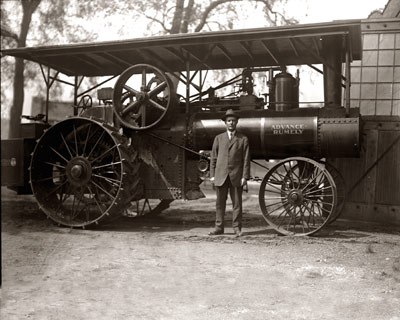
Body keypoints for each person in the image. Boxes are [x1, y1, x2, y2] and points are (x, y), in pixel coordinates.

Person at [209, 109, 250, 237]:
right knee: (219, 204)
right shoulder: (218, 138)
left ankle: (237, 228)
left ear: (237, 122)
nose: (231, 123)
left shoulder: (243, 139)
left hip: (236, 176)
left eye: (233, 121)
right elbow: (213, 158)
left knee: (237, 204)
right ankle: (218, 227)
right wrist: (212, 175)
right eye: (228, 121)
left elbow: (246, 159)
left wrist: (245, 176)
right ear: (225, 123)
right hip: (220, 176)